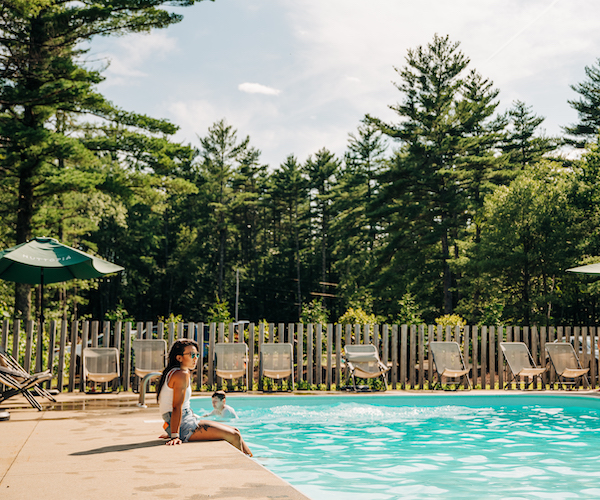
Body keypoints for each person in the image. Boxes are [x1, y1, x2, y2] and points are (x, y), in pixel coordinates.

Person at [157, 339, 252, 456]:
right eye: (192, 355)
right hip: (184, 424)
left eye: (197, 355)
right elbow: (176, 406)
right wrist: (175, 435)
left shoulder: (174, 372)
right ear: (179, 358)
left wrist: (171, 429)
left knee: (236, 431)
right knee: (234, 435)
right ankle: (245, 464)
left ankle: (253, 460)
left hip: (184, 421)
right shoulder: (181, 374)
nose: (195, 358)